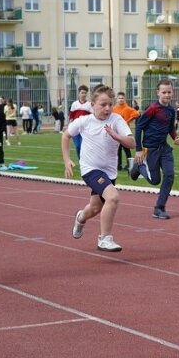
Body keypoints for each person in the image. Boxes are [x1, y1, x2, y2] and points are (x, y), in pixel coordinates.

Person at [62, 85, 134, 252]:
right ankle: (105, 239)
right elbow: (66, 136)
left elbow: (131, 143)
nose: (107, 108)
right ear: (92, 104)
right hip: (90, 169)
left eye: (110, 104)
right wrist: (67, 160)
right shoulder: (84, 121)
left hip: (109, 171)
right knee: (113, 197)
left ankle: (80, 217)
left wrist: (117, 136)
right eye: (103, 104)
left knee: (95, 208)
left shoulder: (116, 120)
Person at [129, 78, 179, 219]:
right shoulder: (152, 109)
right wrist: (139, 149)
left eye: (169, 92)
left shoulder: (171, 110)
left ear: (172, 92)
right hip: (150, 149)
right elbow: (139, 126)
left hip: (164, 148)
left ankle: (159, 208)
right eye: (164, 92)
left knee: (169, 175)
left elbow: (170, 128)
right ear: (158, 93)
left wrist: (175, 137)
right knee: (155, 180)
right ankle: (139, 167)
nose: (167, 95)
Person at [112, 91, 140, 171]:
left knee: (127, 149)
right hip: (117, 133)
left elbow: (137, 114)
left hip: (125, 133)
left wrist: (128, 120)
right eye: (119, 98)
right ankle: (118, 166)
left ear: (125, 99)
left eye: (122, 98)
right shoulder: (114, 109)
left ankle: (129, 165)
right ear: (116, 99)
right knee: (118, 150)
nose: (121, 99)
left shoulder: (127, 108)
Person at [69, 85, 93, 156]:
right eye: (82, 93)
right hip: (76, 128)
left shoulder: (89, 105)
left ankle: (83, 162)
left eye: (85, 93)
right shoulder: (74, 104)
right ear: (79, 93)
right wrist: (70, 126)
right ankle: (81, 160)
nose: (83, 94)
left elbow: (91, 117)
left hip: (85, 129)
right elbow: (71, 117)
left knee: (83, 146)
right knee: (77, 146)